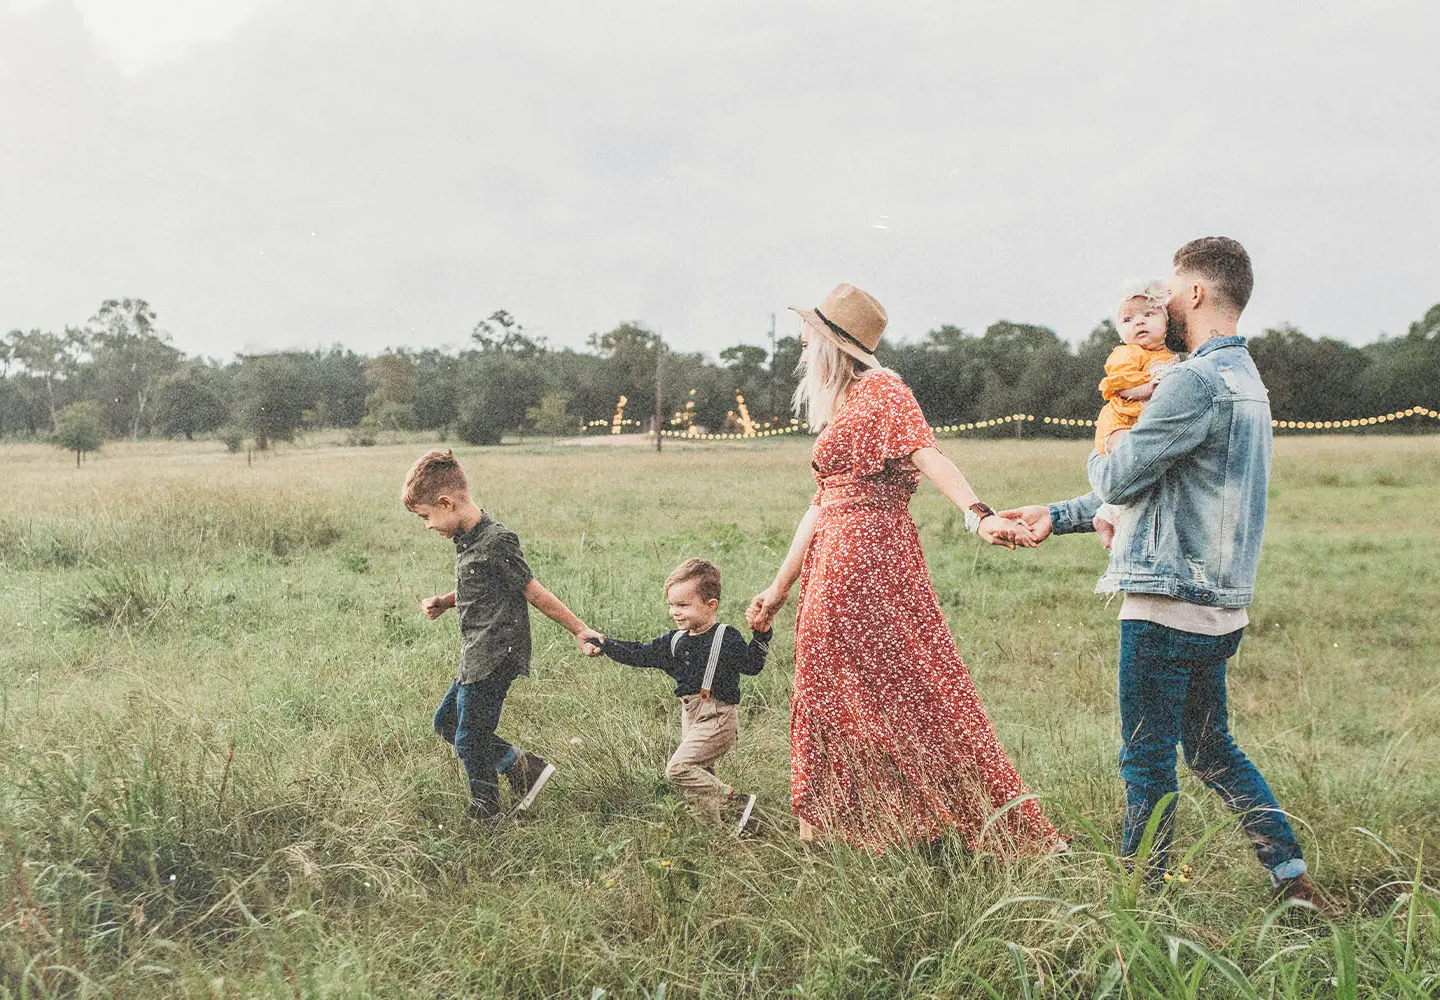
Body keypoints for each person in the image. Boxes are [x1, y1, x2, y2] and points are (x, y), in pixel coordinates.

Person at [1002, 238, 1335, 911]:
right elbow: (1166, 487)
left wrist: (1109, 445)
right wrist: (1059, 515)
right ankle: (1291, 879)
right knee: (1214, 752)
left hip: (1165, 605)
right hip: (1220, 608)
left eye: (1174, 291)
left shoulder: (1191, 380)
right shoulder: (1247, 380)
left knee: (1146, 761)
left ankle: (1139, 905)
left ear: (1198, 295)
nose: (1164, 303)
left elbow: (1124, 474)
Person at [745, 282, 1061, 854]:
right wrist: (778, 586)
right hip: (834, 558)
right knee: (842, 689)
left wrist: (978, 514)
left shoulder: (883, 391)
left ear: (831, 342)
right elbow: (820, 504)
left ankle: (931, 821)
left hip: (867, 558)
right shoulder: (845, 403)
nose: (799, 343)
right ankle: (845, 828)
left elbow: (928, 453)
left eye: (808, 333)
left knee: (903, 687)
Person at [403, 448, 603, 821]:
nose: (428, 526)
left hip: (495, 656)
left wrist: (581, 630)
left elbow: (532, 591)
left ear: (446, 503)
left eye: (426, 517)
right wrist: (446, 602)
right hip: (476, 654)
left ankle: (487, 812)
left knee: (469, 738)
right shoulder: (467, 539)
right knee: (446, 723)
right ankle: (523, 768)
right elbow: (481, 588)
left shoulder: (497, 540)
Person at [585, 559, 766, 833]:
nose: (675, 612)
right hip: (690, 715)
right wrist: (606, 644)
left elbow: (752, 665)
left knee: (679, 769)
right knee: (697, 782)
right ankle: (714, 839)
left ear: (711, 605)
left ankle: (735, 801)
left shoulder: (725, 637)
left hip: (718, 716)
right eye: (671, 605)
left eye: (683, 605)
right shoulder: (676, 640)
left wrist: (762, 634)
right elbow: (640, 653)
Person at [1092, 279, 1180, 549]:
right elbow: (1117, 385)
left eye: (1148, 315)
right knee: (1131, 460)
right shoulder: (1128, 353)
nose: (1139, 322)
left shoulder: (1170, 356)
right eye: (1128, 319)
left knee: (1144, 470)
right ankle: (1110, 516)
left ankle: (1109, 514)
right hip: (1120, 421)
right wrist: (1146, 388)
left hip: (1141, 421)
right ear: (1119, 330)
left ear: (1166, 322)